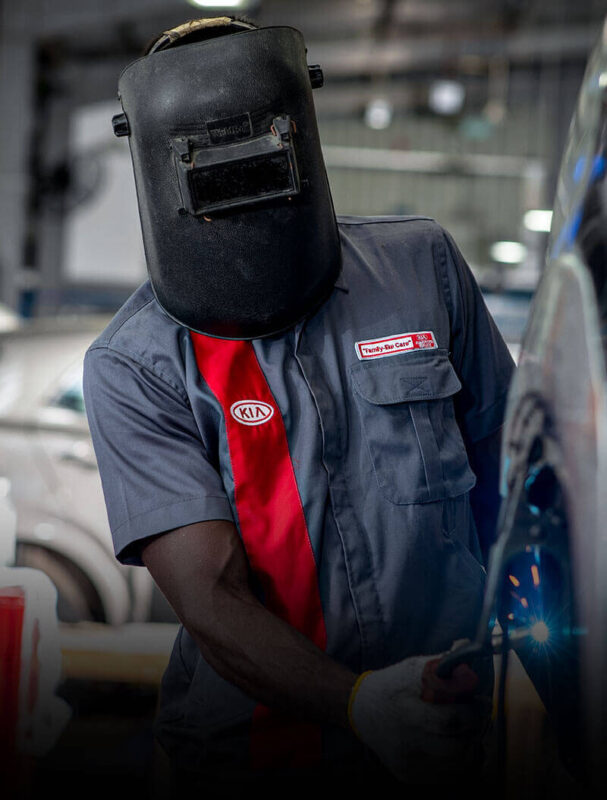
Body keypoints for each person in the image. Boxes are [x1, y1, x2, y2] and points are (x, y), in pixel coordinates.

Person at [83, 15, 515, 798]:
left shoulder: (422, 268)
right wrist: (360, 705)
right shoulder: (134, 364)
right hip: (248, 758)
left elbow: (514, 488)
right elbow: (209, 595)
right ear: (153, 160)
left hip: (448, 733)